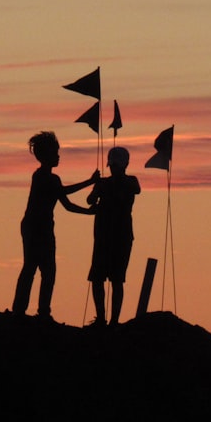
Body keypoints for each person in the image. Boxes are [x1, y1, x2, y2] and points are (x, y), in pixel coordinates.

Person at [12, 131, 98, 319]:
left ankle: (41, 311)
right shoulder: (42, 177)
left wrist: (89, 212)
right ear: (45, 155)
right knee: (33, 268)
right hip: (34, 228)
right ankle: (22, 310)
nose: (58, 156)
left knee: (47, 270)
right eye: (55, 152)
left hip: (43, 228)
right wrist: (90, 182)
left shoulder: (51, 179)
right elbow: (64, 193)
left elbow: (67, 205)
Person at [86, 146, 141, 326]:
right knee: (98, 278)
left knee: (116, 279)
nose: (114, 169)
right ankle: (102, 318)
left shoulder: (130, 181)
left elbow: (135, 188)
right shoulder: (105, 183)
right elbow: (90, 200)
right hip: (105, 237)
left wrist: (105, 185)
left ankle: (114, 321)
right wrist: (100, 186)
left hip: (119, 237)